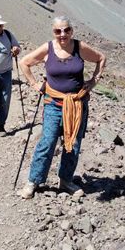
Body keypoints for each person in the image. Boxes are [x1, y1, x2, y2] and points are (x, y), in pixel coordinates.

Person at [16, 16, 106, 198]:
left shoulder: (79, 47)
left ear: (72, 31)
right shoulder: (48, 48)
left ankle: (65, 180)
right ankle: (33, 181)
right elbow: (24, 62)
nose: (62, 34)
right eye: (58, 31)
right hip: (53, 104)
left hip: (77, 104)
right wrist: (35, 84)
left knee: (72, 143)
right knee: (47, 142)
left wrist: (94, 81)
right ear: (53, 32)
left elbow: (101, 58)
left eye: (66, 30)